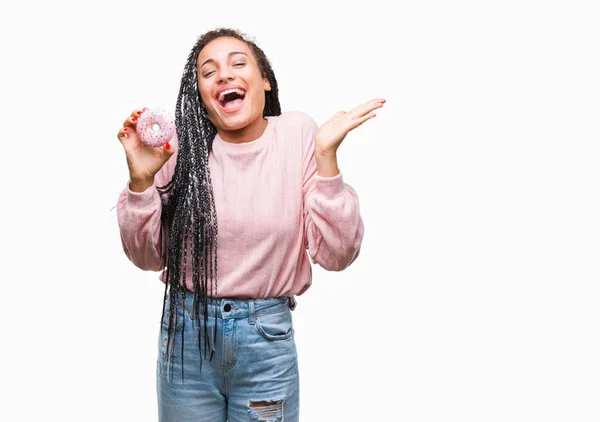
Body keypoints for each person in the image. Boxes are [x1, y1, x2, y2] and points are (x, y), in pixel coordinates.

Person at [116, 27, 385, 422]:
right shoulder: (178, 151)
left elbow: (338, 254)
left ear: (264, 80)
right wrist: (141, 183)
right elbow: (146, 258)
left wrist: (327, 157)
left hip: (266, 341)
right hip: (186, 340)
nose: (224, 75)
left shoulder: (297, 134)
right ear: (201, 96)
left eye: (238, 63)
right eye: (208, 72)